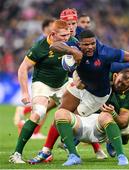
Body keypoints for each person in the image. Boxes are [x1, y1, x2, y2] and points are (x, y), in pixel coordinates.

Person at [51, 29, 129, 164]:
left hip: (96, 96)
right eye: (86, 45)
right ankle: (49, 151)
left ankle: (107, 139)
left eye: (92, 44)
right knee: (60, 113)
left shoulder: (105, 53)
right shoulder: (74, 46)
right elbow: (53, 45)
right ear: (79, 44)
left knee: (71, 124)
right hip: (81, 86)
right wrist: (72, 51)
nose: (90, 47)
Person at [9, 19, 82, 164]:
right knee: (39, 112)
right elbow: (23, 68)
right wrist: (24, 92)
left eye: (68, 35)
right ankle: (16, 154)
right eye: (63, 36)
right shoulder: (40, 47)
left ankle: (58, 145)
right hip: (42, 84)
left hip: (62, 83)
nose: (66, 38)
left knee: (79, 111)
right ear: (53, 34)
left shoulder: (72, 41)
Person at [54, 69, 129, 166]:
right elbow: (79, 72)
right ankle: (73, 156)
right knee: (60, 113)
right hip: (82, 121)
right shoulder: (100, 79)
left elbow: (123, 122)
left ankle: (120, 154)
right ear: (115, 76)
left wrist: (113, 113)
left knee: (108, 117)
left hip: (101, 127)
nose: (119, 85)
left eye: (123, 85)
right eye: (119, 82)